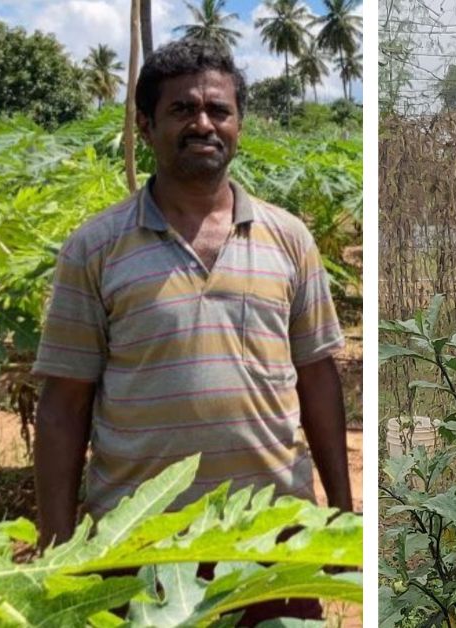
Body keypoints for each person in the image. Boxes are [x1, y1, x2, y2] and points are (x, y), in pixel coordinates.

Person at [33, 37, 351, 588]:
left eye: (218, 110)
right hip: (139, 543)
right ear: (145, 125)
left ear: (239, 126)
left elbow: (318, 380)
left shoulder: (289, 239)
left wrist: (342, 518)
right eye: (182, 109)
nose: (202, 123)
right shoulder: (96, 247)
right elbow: (63, 406)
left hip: (272, 535)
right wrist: (57, 546)